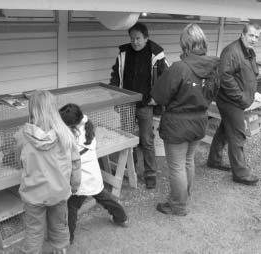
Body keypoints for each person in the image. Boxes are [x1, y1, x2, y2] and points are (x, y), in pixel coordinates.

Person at [151, 23, 220, 216]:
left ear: (185, 44)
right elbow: (214, 93)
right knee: (188, 161)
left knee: (176, 166)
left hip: (177, 124)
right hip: (199, 121)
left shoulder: (179, 68)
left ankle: (177, 205)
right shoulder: (214, 67)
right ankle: (184, 197)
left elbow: (160, 95)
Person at [14, 90, 81, 254]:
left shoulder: (21, 136)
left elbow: (19, 163)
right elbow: (76, 166)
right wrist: (74, 186)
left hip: (33, 194)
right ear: (54, 110)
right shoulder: (66, 135)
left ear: (32, 110)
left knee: (34, 230)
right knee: (59, 225)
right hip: (59, 193)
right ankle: (60, 250)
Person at [109, 22, 168, 189]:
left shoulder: (155, 54)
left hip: (145, 105)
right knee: (127, 138)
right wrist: (115, 96)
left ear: (146, 38)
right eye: (132, 38)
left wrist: (155, 99)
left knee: (146, 139)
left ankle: (150, 174)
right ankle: (131, 168)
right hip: (126, 103)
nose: (135, 41)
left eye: (138, 38)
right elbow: (115, 75)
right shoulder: (124, 52)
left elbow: (164, 79)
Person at [59, 103, 129, 245]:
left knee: (71, 207)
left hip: (80, 180)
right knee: (105, 198)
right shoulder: (87, 125)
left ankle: (68, 237)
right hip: (93, 175)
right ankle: (122, 218)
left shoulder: (72, 138)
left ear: (71, 126)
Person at [207, 23, 261, 186]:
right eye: (251, 35)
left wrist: (252, 93)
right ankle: (241, 173)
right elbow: (224, 77)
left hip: (239, 99)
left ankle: (214, 160)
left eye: (257, 37)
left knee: (225, 130)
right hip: (231, 101)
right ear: (243, 34)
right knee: (238, 135)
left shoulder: (248, 51)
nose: (254, 39)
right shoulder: (231, 51)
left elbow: (248, 74)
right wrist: (241, 97)